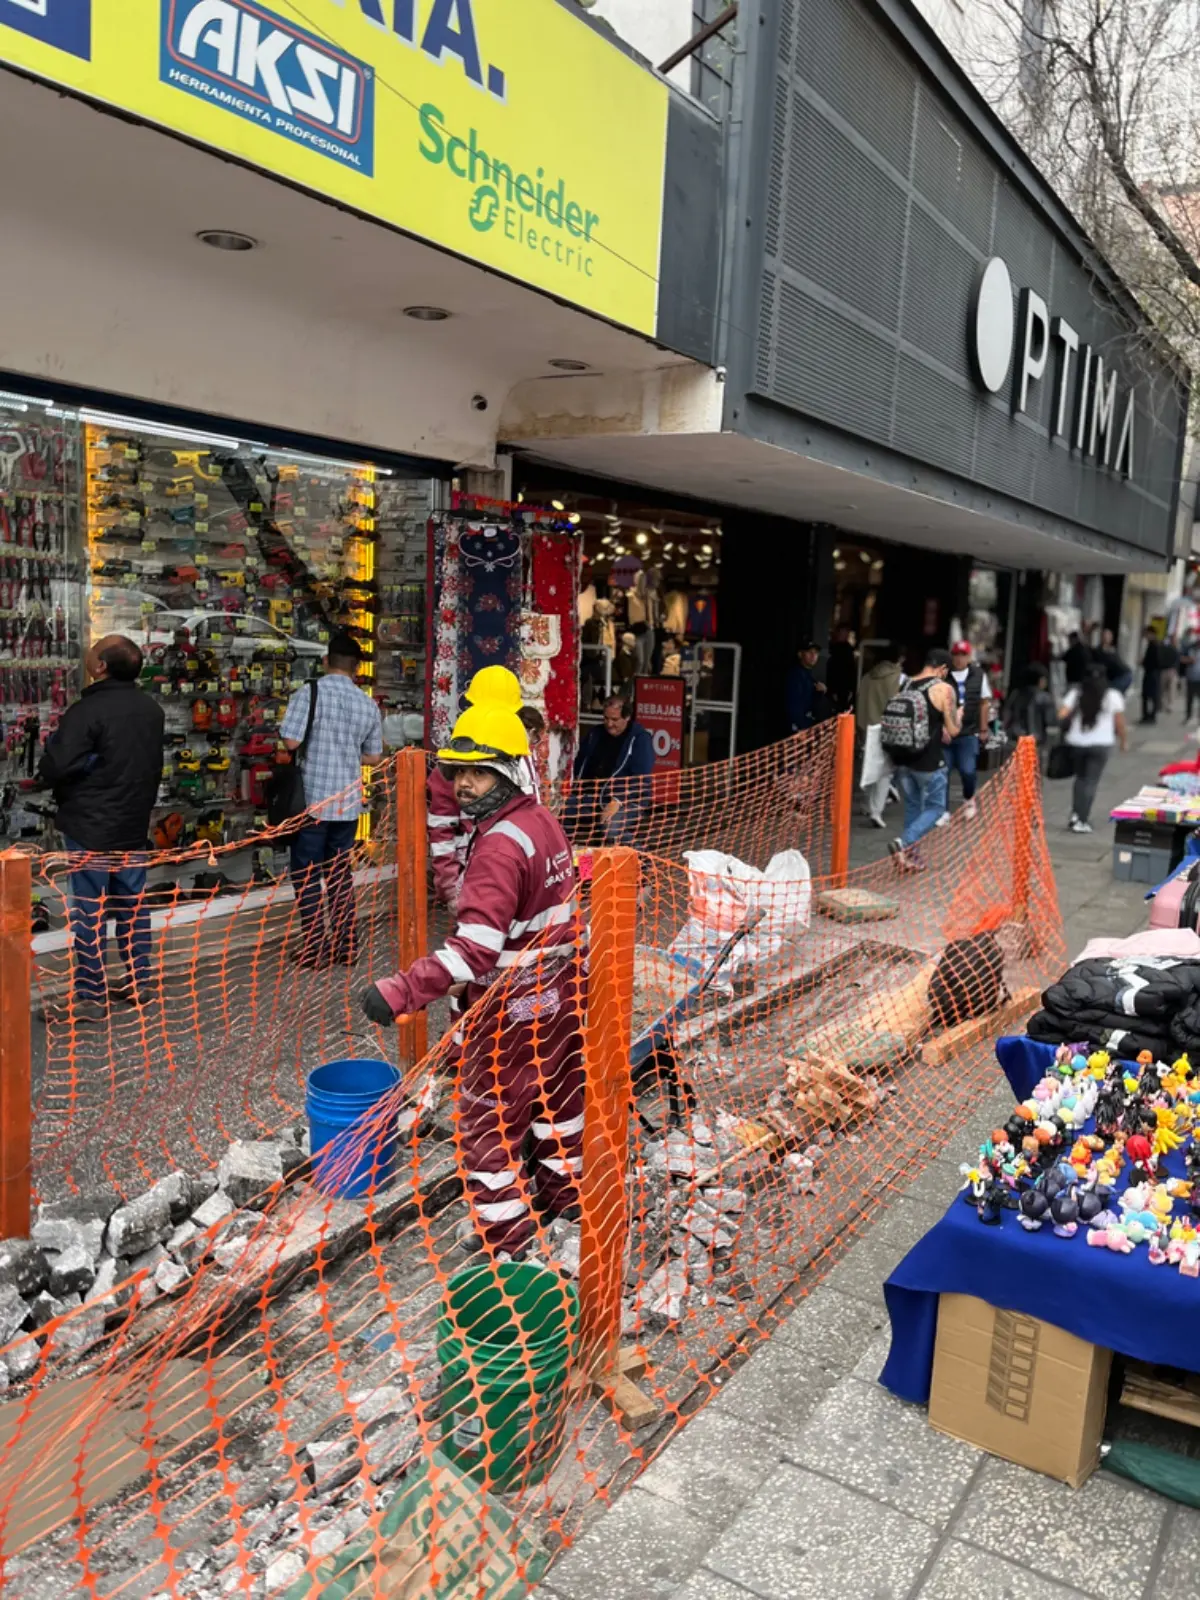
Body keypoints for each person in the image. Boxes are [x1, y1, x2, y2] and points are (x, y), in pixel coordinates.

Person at [360, 691, 582, 1262]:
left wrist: (402, 990)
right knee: (557, 1111)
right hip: (559, 1001)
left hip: (510, 1016)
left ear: (508, 773)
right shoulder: (543, 825)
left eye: (478, 775)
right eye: (458, 772)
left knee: (487, 1134)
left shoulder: (499, 847)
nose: (463, 785)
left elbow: (477, 952)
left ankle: (507, 1252)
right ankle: (568, 1210)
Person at [38, 634, 165, 1020]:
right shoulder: (151, 710)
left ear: (100, 667)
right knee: (132, 907)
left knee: (89, 914)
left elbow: (54, 767)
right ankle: (139, 982)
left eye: (92, 654)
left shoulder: (87, 711)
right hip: (131, 825)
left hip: (91, 828)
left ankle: (91, 996)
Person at [280, 632, 384, 968]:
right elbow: (373, 757)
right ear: (356, 668)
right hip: (348, 803)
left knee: (308, 875)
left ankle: (315, 948)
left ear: (326, 661)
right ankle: (347, 944)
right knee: (340, 874)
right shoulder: (367, 704)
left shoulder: (309, 693)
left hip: (311, 802)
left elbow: (292, 743)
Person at [428, 667, 545, 912]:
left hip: (519, 868)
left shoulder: (518, 751)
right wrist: (450, 888)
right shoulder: (456, 759)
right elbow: (442, 829)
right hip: (478, 872)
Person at [885, 646, 960, 870]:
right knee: (936, 808)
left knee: (913, 807)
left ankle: (911, 858)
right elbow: (954, 730)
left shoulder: (905, 684)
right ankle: (904, 843)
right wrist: (960, 716)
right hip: (929, 762)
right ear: (943, 669)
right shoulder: (944, 689)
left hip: (903, 760)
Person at [567, 692, 655, 846]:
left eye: (615, 719)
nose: (609, 724)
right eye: (606, 718)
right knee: (560, 816)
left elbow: (641, 780)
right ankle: (572, 864)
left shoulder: (640, 739)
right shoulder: (595, 733)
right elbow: (580, 764)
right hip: (592, 795)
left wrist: (617, 800)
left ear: (627, 718)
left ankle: (641, 859)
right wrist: (573, 790)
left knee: (610, 828)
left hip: (628, 799)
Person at [1060, 666, 1127, 833]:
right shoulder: (1112, 696)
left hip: (1076, 743)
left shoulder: (1076, 694)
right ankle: (1082, 820)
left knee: (1080, 779)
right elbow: (1119, 722)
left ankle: (1075, 814)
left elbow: (1061, 714)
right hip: (1101, 744)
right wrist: (1123, 741)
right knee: (1090, 781)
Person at [855, 642, 902, 828]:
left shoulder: (867, 677)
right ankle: (876, 810)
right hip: (887, 728)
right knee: (885, 771)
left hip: (866, 727)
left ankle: (866, 804)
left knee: (868, 768)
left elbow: (860, 702)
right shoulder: (896, 678)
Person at [945, 640, 991, 821]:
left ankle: (969, 798)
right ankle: (943, 809)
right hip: (946, 732)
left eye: (963, 655)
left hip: (968, 731)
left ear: (969, 656)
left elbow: (984, 702)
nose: (959, 659)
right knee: (943, 772)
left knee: (968, 770)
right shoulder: (945, 674)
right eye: (956, 655)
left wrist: (983, 728)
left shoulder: (978, 675)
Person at [1001, 664, 1057, 749]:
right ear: (1040, 680)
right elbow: (1051, 720)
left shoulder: (1016, 694)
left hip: (1016, 739)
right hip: (1036, 742)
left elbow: (1006, 715)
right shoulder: (1045, 698)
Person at [786, 642, 827, 733]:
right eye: (810, 652)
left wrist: (819, 692)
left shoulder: (808, 675)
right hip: (799, 730)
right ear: (800, 654)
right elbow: (794, 706)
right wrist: (802, 727)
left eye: (816, 653)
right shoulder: (796, 675)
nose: (813, 656)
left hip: (808, 727)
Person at [825, 626, 857, 715]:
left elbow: (851, 671)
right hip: (839, 687)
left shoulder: (847, 651)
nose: (845, 635)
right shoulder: (836, 650)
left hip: (844, 688)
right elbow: (833, 671)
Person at [1095, 628, 1133, 693]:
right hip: (1119, 676)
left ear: (1111, 638)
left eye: (1108, 637)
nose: (1106, 638)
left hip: (1123, 676)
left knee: (1112, 693)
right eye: (1104, 636)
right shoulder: (1100, 650)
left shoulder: (1111, 650)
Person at [1140, 626, 1164, 725]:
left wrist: (1144, 662)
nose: (1145, 636)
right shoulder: (1153, 644)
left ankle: (1149, 716)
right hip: (1152, 673)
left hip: (1152, 674)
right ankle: (1148, 716)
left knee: (1149, 696)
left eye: (1146, 634)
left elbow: (1155, 661)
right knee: (1148, 696)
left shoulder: (1154, 645)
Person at [1182, 631, 1200, 723]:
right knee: (1189, 699)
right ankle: (1188, 716)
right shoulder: (1190, 649)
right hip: (1191, 677)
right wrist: (1188, 660)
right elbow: (1181, 659)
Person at [1159, 635, 1180, 713]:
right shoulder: (1175, 650)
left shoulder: (1166, 648)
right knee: (1170, 690)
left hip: (1167, 671)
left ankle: (1163, 705)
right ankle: (1168, 706)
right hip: (1170, 671)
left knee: (1164, 689)